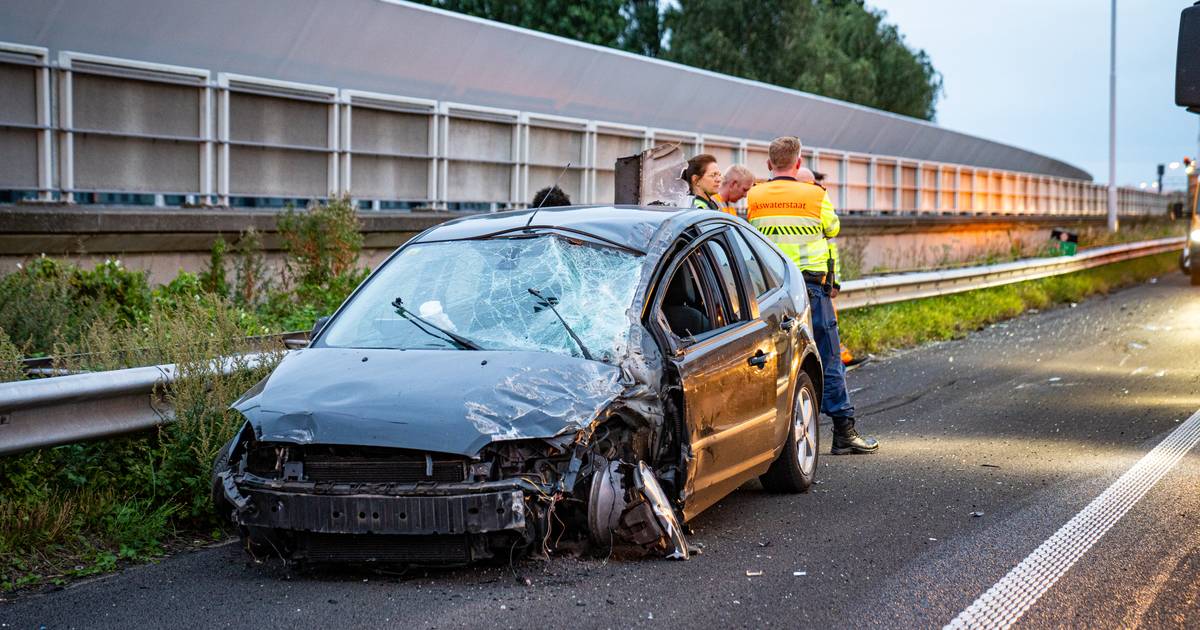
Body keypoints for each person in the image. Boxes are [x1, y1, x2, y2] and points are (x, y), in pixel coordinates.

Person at [746, 136, 878, 455]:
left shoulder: (755, 195)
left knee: (771, 359)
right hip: (811, 288)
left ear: (768, 164)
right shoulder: (815, 195)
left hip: (770, 290)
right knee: (828, 356)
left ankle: (769, 436)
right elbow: (832, 229)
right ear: (799, 163)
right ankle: (844, 431)